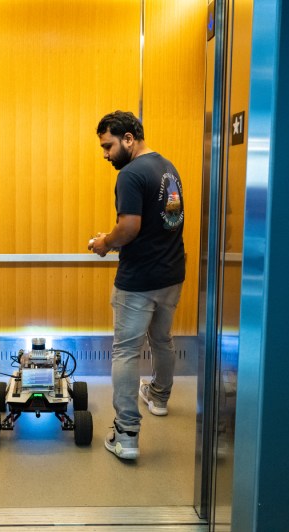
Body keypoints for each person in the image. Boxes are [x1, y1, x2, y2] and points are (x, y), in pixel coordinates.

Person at [88, 110, 185, 460]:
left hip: (139, 279)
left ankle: (126, 434)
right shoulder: (168, 167)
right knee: (162, 339)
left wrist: (104, 243)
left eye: (108, 146)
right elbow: (170, 220)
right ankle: (159, 397)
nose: (105, 154)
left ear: (129, 139)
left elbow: (128, 228)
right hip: (171, 274)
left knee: (126, 351)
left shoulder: (130, 174)